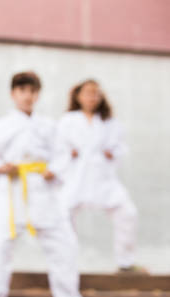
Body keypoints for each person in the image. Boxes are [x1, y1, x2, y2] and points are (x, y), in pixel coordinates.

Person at [0, 71, 81, 297]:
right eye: (22, 90)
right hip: (11, 190)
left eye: (32, 91)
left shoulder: (48, 125)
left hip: (42, 190)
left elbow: (61, 155)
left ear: (38, 95)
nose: (27, 96)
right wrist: (0, 167)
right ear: (13, 94)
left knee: (63, 246)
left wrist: (52, 170)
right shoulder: (2, 125)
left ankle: (67, 293)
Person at [53, 79, 145, 274]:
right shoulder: (68, 121)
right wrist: (68, 155)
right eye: (87, 93)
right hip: (76, 177)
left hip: (103, 178)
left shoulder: (110, 122)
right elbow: (58, 147)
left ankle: (125, 262)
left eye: (96, 93)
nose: (92, 97)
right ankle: (66, 262)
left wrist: (112, 153)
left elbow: (120, 147)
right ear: (78, 96)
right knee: (62, 217)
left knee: (128, 213)